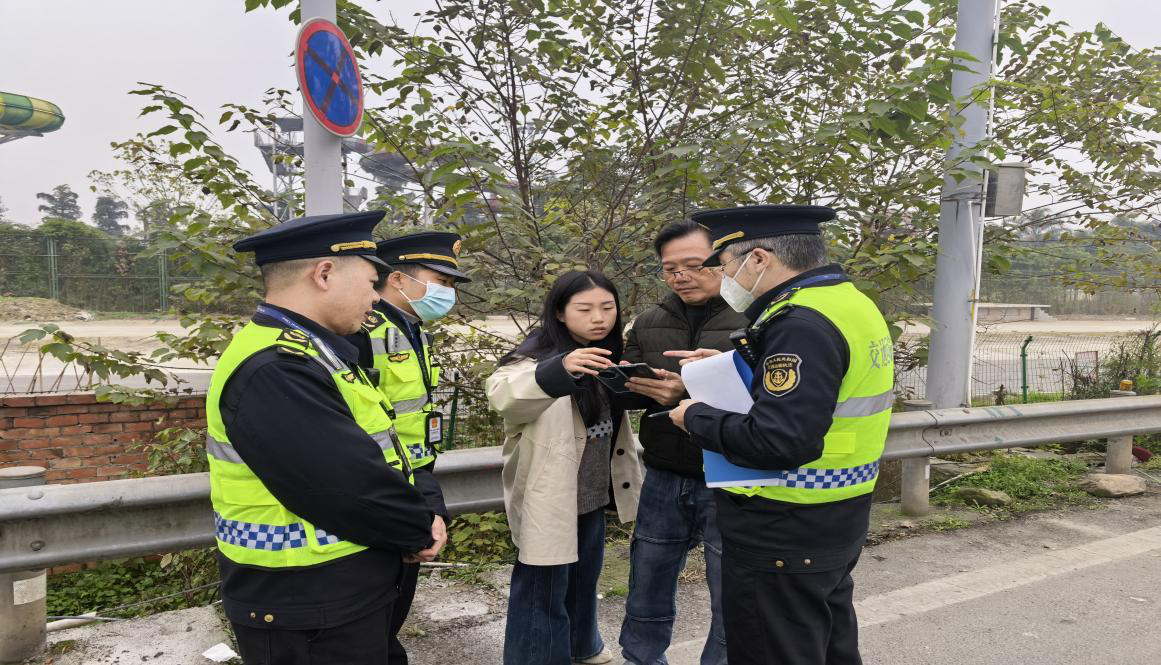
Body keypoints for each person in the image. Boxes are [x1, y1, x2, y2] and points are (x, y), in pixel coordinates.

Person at [207, 211, 440, 665]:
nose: (376, 297)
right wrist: (417, 529)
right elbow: (345, 485)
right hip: (306, 602)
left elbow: (382, 451)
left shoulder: (317, 350)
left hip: (336, 591)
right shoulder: (278, 367)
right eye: (370, 282)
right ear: (325, 273)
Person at [667, 205, 894, 665]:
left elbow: (780, 441)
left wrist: (695, 417)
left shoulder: (799, 322)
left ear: (758, 259)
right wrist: (739, 365)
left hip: (783, 525)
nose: (723, 277)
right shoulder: (847, 302)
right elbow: (826, 387)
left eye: (724, 264)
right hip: (839, 512)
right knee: (828, 647)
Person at [486, 270, 645, 665]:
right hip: (551, 496)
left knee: (583, 579)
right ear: (559, 312)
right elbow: (503, 395)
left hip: (592, 492)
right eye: (585, 309)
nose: (599, 318)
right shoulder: (534, 356)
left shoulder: (606, 353)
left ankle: (582, 645)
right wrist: (560, 368)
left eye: (607, 307)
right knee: (542, 589)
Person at [616, 220, 747, 665]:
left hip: (729, 476)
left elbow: (765, 402)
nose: (681, 276)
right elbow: (628, 392)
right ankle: (641, 659)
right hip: (664, 473)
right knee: (646, 586)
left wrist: (685, 393)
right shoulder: (650, 321)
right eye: (670, 269)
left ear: (722, 261)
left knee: (729, 594)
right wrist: (623, 381)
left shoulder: (755, 320)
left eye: (694, 265)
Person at [347, 231, 471, 664]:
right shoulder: (363, 332)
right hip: (380, 488)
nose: (448, 293)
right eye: (442, 281)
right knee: (374, 615)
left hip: (413, 479)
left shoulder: (411, 329)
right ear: (397, 278)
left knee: (395, 605)